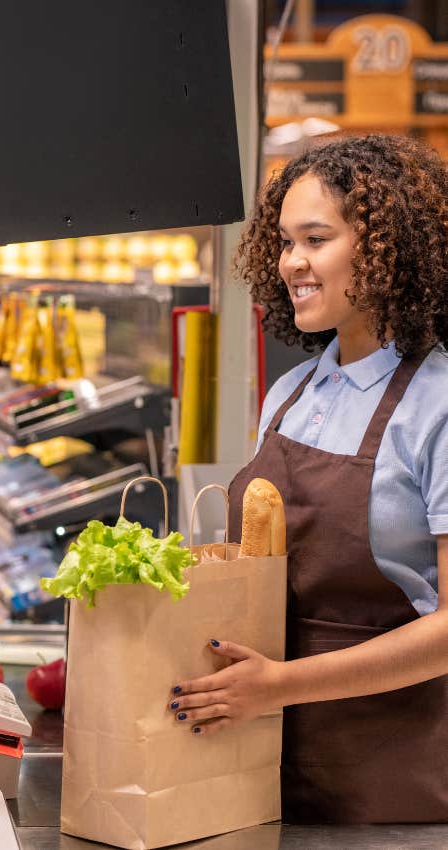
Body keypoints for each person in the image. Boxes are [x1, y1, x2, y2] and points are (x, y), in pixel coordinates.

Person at [168, 134, 448, 823]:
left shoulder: (437, 406)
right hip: (267, 764)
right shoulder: (291, 393)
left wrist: (280, 686)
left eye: (316, 239)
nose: (293, 261)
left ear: (387, 247)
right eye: (285, 241)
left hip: (395, 783)